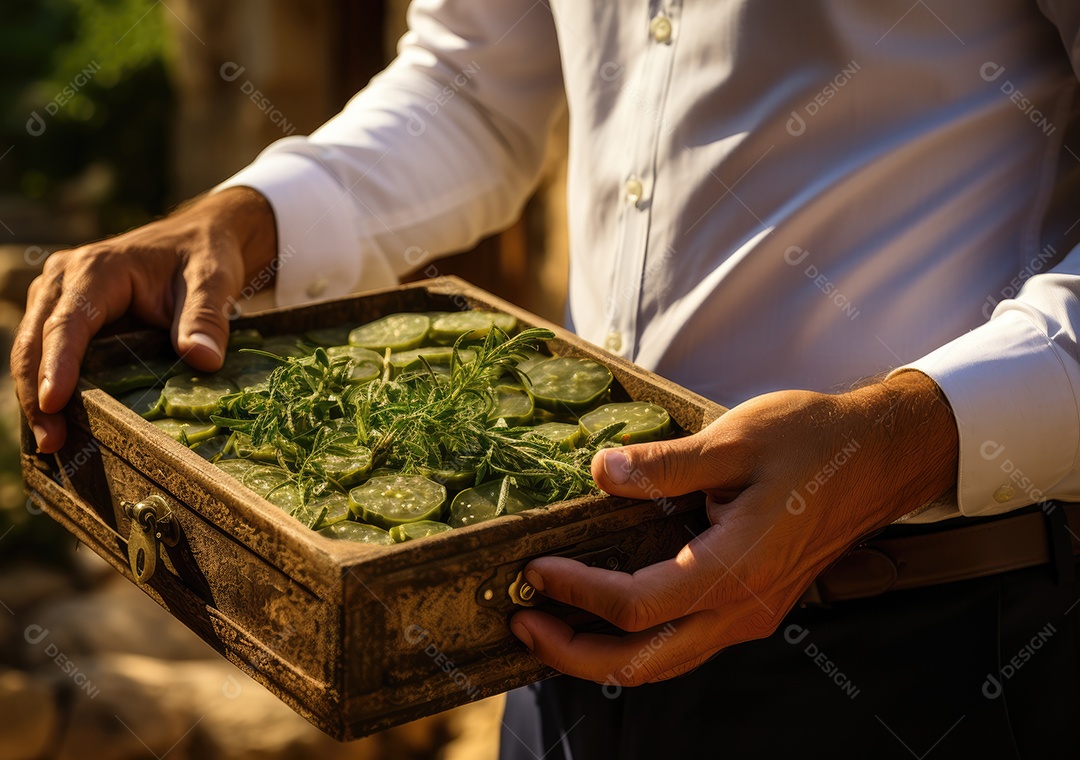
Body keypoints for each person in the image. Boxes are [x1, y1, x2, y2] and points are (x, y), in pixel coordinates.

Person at [13, 1, 1080, 756]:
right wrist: (248, 215)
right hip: (553, 622)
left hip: (921, 645)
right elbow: (472, 83)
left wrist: (898, 441)